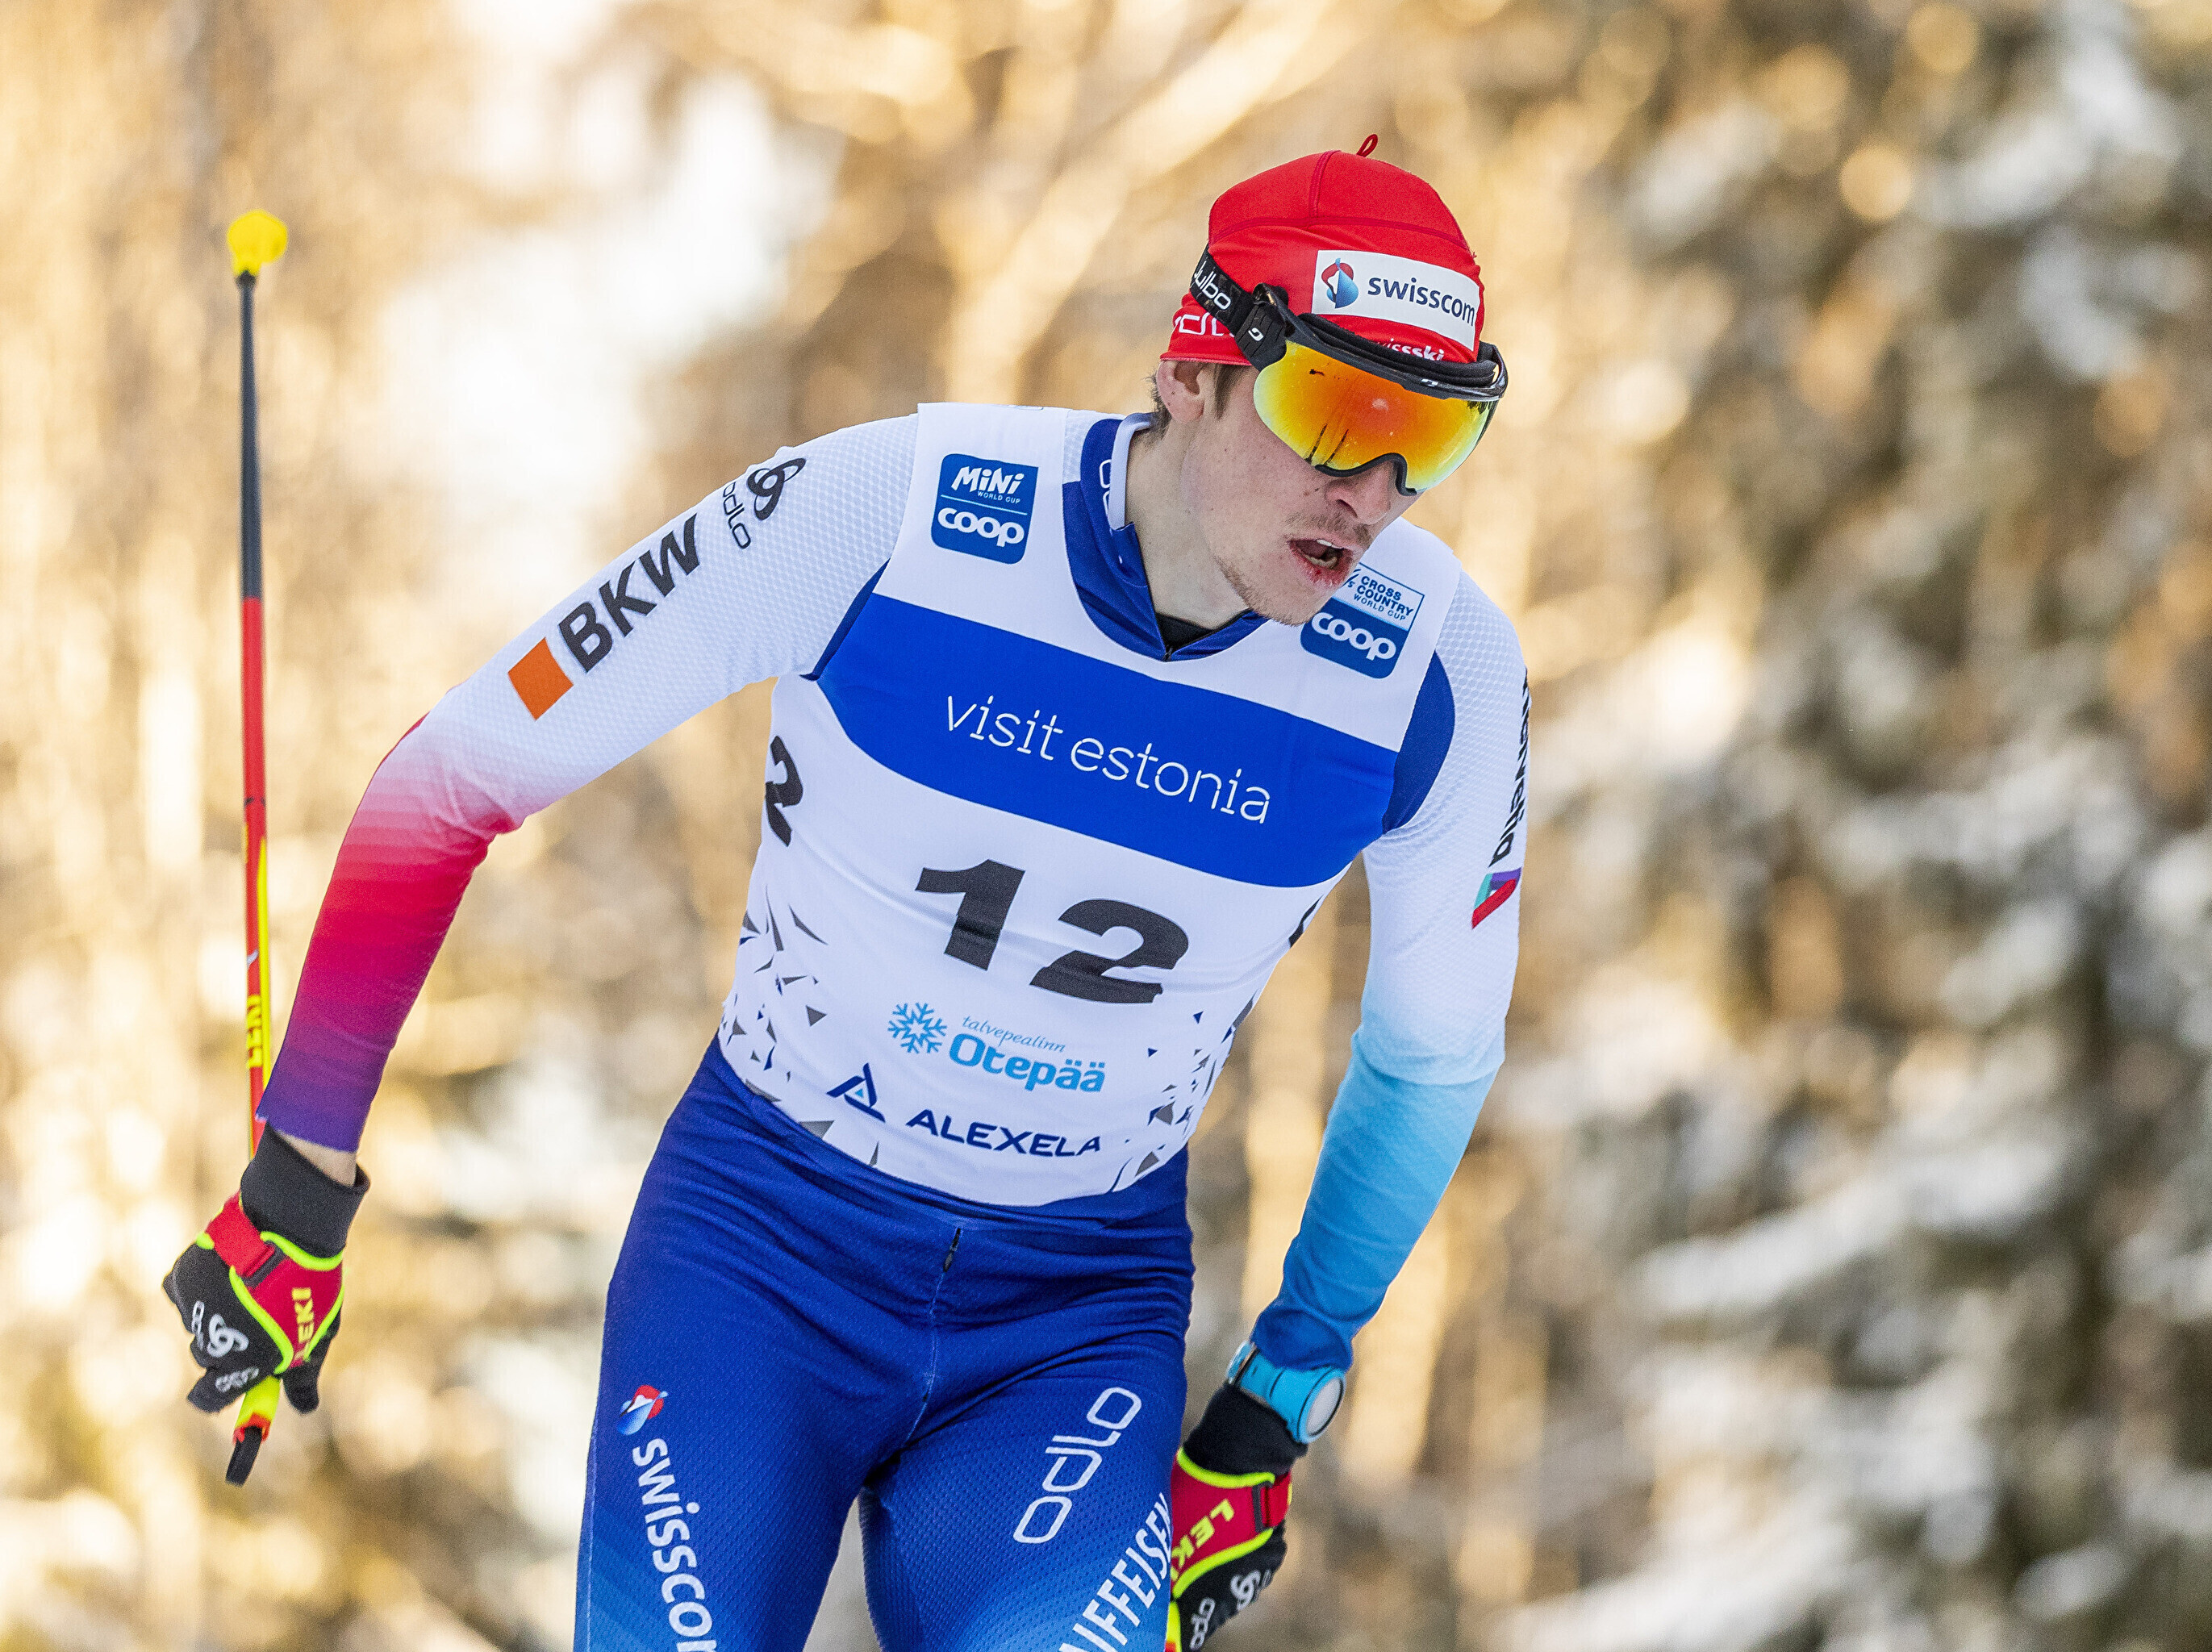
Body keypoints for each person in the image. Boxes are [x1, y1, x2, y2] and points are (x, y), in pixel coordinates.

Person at [163, 143, 1529, 1652]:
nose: (1373, 493)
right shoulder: (886, 511)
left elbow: (1433, 1055)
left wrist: (1279, 1395)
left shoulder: (1438, 674)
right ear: (1195, 369)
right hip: (760, 1258)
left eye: (1432, 435)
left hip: (1072, 1318)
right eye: (1337, 411)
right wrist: (297, 1187)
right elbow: (450, 780)